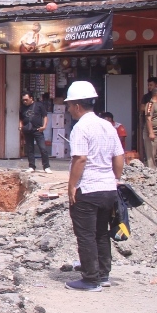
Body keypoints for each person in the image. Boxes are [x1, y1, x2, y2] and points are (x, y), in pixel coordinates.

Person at [64, 81, 124, 292]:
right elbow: (119, 157)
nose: (69, 110)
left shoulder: (80, 128)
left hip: (88, 189)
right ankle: (103, 274)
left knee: (86, 235)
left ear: (78, 106)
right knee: (101, 233)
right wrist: (113, 179)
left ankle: (90, 279)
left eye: (70, 105)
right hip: (108, 189)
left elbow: (80, 158)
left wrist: (72, 186)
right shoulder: (107, 125)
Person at [20, 92, 51, 174]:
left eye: (26, 100)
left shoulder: (39, 105)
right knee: (30, 149)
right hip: (27, 130)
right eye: (23, 100)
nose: (25, 102)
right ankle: (31, 166)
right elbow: (21, 118)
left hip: (38, 130)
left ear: (31, 98)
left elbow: (45, 116)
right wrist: (20, 127)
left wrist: (44, 126)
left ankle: (46, 166)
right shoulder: (22, 108)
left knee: (43, 148)